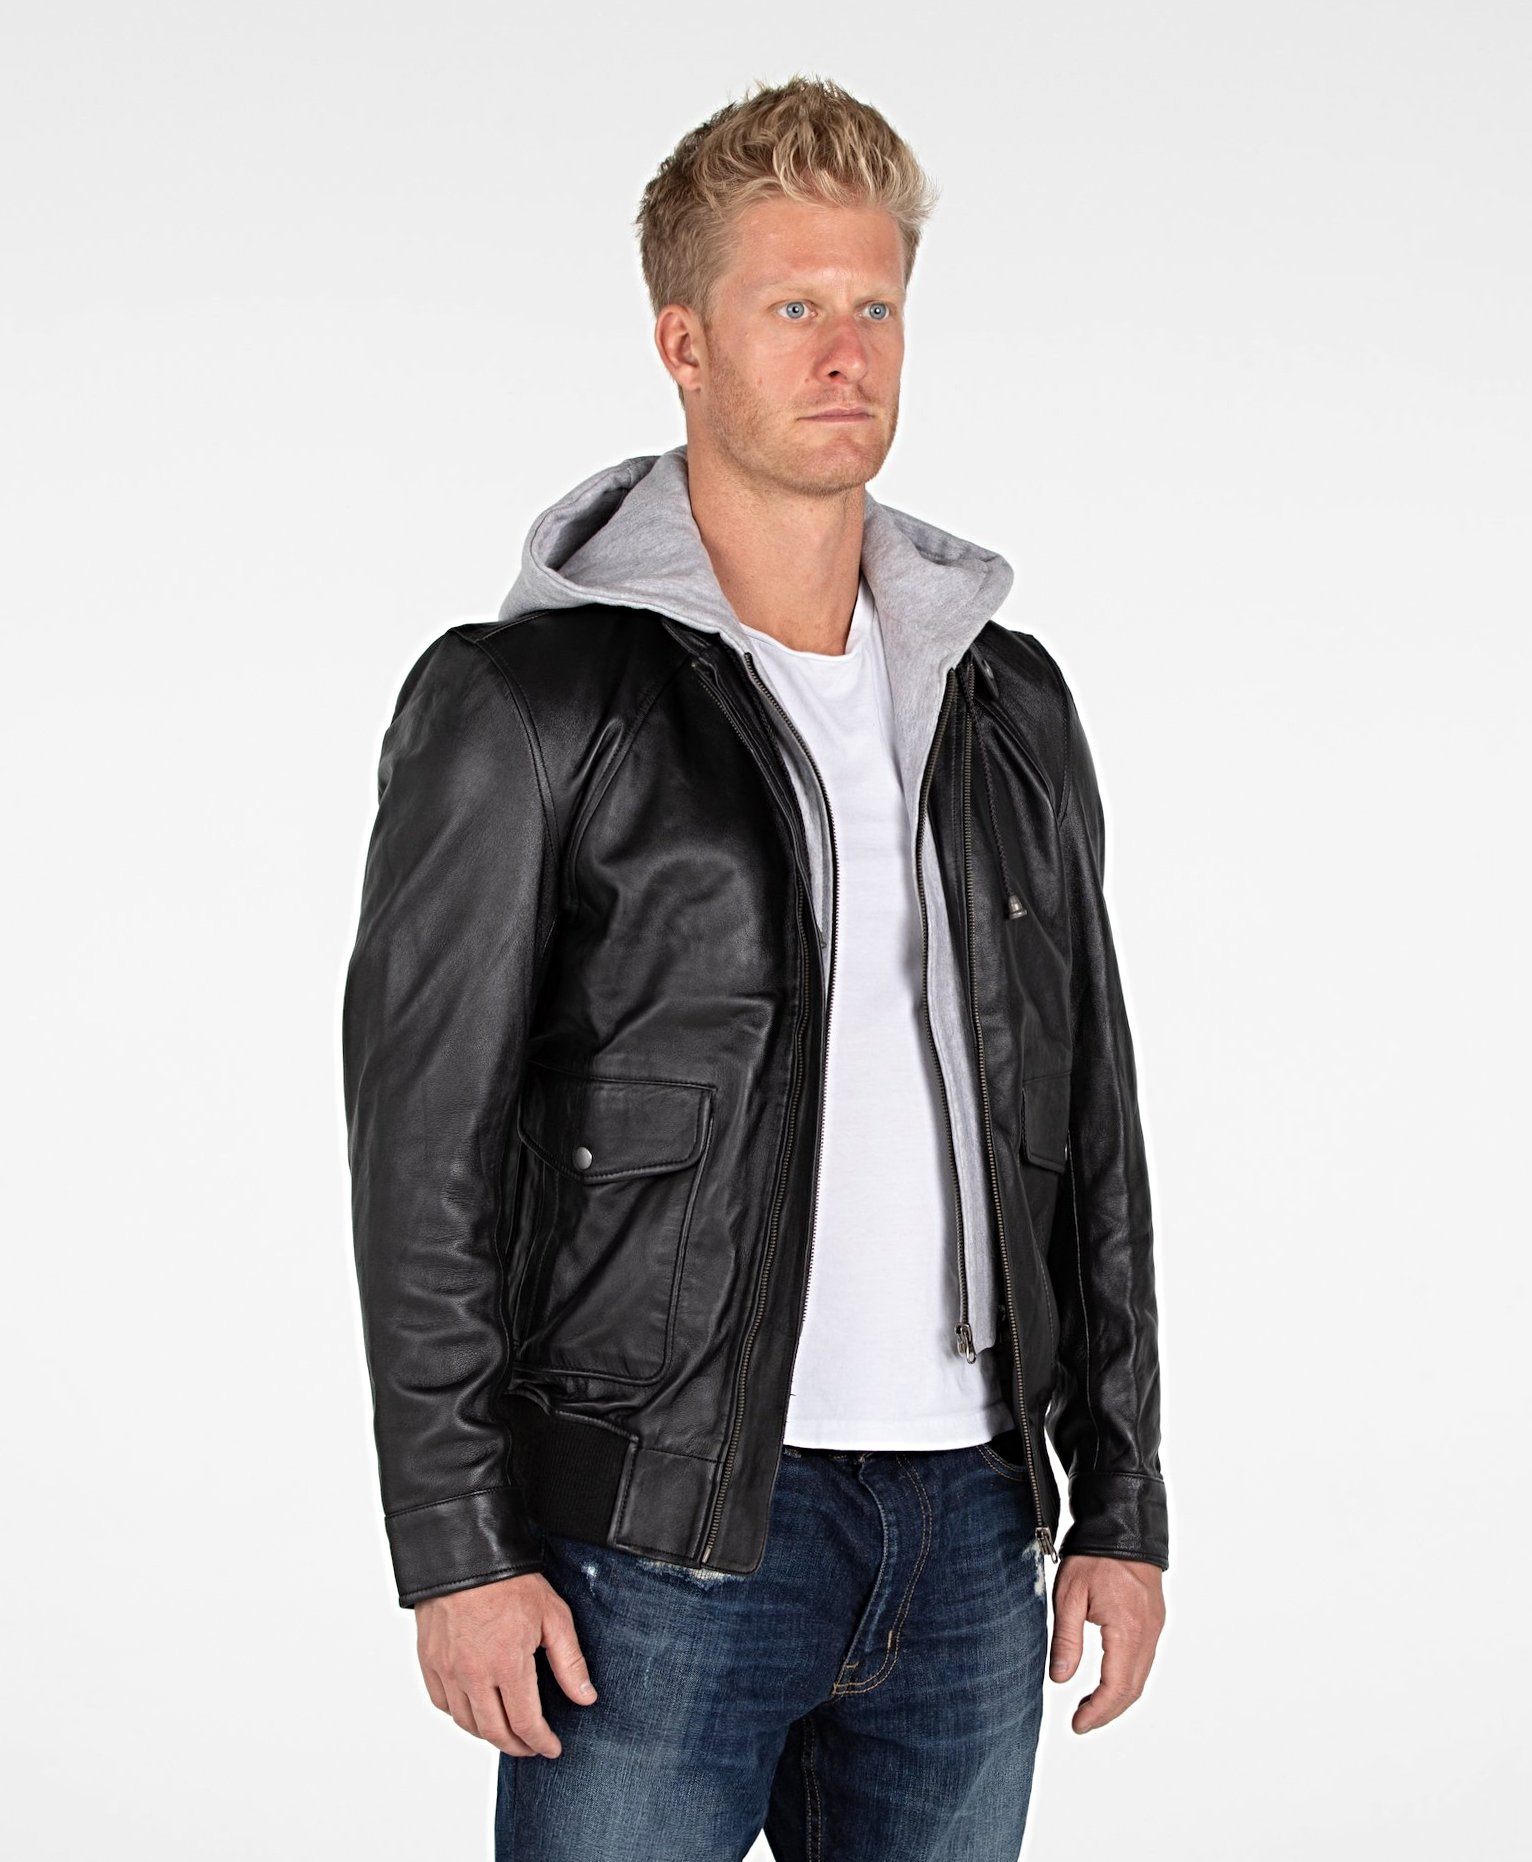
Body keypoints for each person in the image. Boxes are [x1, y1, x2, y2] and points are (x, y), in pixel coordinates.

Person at [342, 72, 1169, 1862]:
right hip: (653, 1537)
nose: (845, 352)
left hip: (971, 1530)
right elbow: (423, 1157)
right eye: (793, 306)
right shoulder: (530, 703)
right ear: (684, 342)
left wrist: (1121, 1496)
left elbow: (1089, 1117)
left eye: (876, 305)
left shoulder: (1007, 703)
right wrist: (457, 1545)